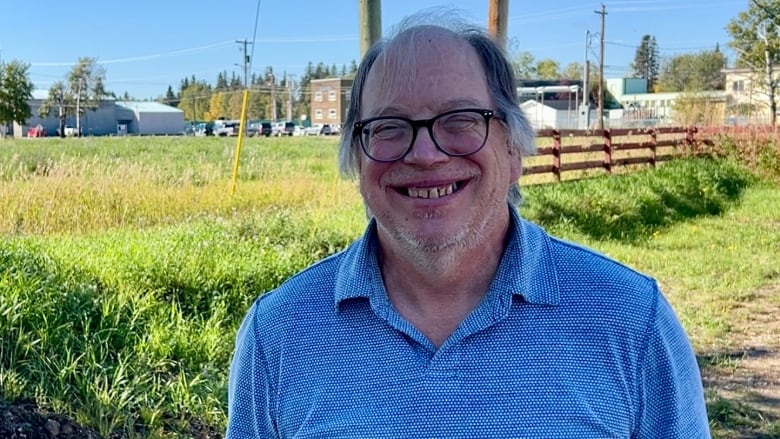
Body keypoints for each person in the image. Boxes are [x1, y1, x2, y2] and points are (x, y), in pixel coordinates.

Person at [226, 11, 710, 438]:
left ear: (514, 149)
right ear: (356, 158)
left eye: (459, 120)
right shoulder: (280, 334)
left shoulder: (630, 321)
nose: (425, 154)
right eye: (389, 127)